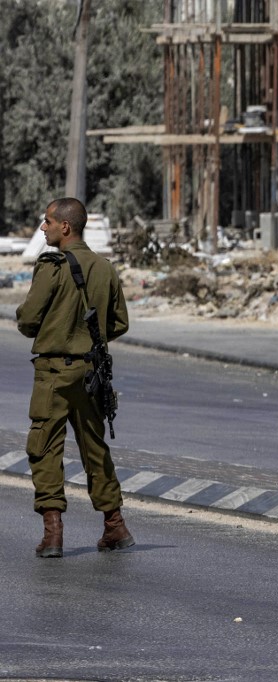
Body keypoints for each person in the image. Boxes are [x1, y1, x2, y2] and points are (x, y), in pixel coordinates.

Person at [16, 197, 134, 559]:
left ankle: (53, 533)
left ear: (64, 227)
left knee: (45, 446)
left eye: (47, 221)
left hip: (53, 371)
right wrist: (86, 339)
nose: (43, 227)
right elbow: (119, 323)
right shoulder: (104, 268)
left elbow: (28, 320)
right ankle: (114, 525)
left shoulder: (51, 266)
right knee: (94, 447)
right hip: (90, 371)